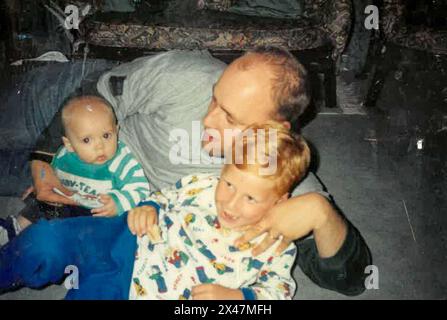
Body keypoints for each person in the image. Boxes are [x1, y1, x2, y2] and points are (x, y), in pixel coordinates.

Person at [23, 47, 371, 296]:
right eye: (215, 98)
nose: (208, 119)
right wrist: (43, 155)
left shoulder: (280, 179)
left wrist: (321, 214)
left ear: (273, 128)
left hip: (113, 199)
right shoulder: (184, 75)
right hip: (84, 122)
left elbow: (353, 280)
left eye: (230, 117)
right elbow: (95, 90)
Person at [0, 122, 309, 300]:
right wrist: (148, 207)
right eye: (228, 183)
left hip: (140, 292)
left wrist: (240, 298)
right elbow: (164, 195)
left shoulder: (277, 244)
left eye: (251, 198)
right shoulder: (202, 185)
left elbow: (278, 293)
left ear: (280, 201)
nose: (230, 202)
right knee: (44, 240)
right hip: (123, 239)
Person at [0, 96, 151, 245]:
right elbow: (51, 175)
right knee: (40, 204)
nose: (100, 146)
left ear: (116, 131)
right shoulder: (64, 156)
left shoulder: (122, 161)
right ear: (69, 144)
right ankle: (16, 227)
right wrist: (38, 184)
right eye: (87, 140)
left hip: (96, 213)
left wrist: (118, 202)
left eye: (106, 135)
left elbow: (140, 188)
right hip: (67, 201)